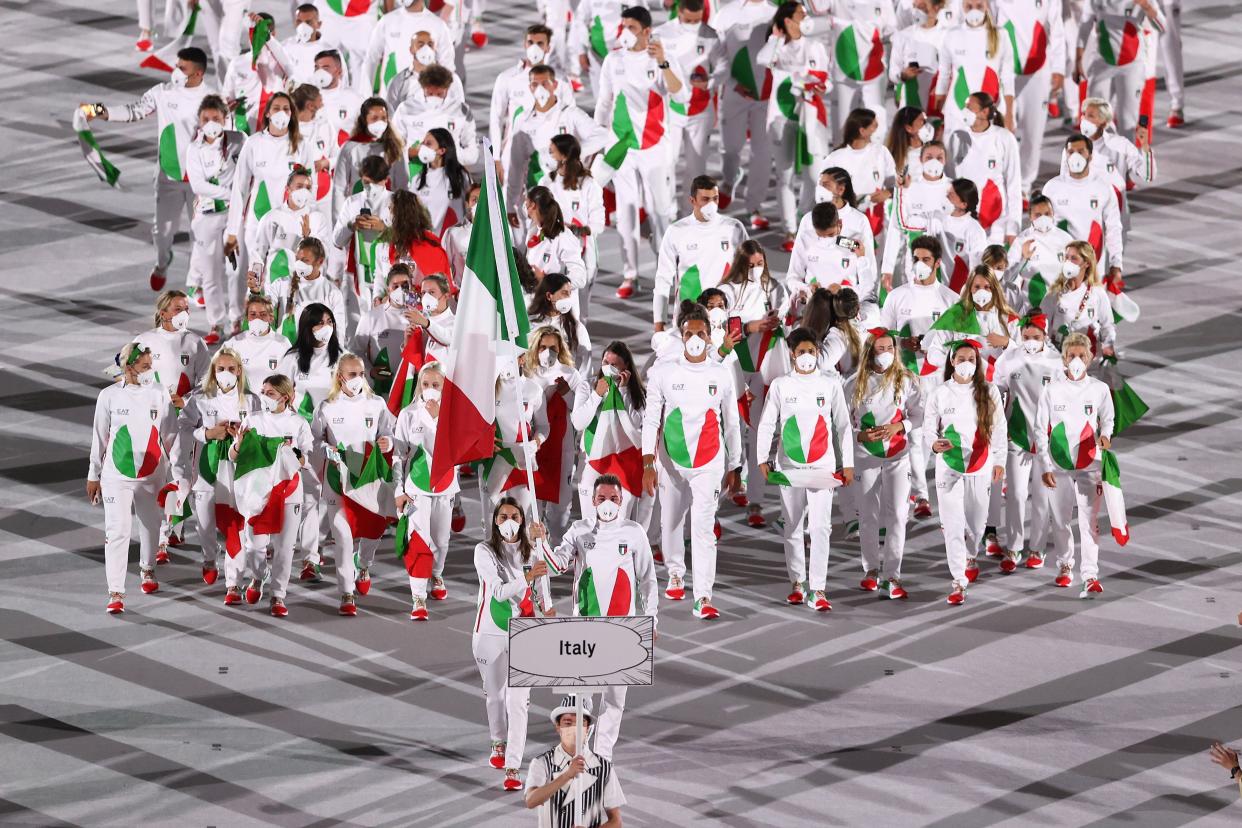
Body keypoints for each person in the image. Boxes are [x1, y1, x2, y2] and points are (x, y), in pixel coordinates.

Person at [542, 475, 658, 758]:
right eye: (601, 498)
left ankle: (603, 757)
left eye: (614, 499)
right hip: (586, 628)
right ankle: (576, 753)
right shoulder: (579, 531)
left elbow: (648, 579)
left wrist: (652, 618)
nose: (607, 504)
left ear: (622, 501)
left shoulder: (634, 533)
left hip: (624, 629)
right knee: (580, 696)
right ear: (592, 502)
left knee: (615, 700)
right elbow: (557, 564)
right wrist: (541, 542)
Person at [82, 47, 215, 290]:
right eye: (176, 66)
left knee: (202, 235)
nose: (175, 72)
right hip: (168, 177)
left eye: (182, 68)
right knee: (162, 234)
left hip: (202, 182)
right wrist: (96, 111)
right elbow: (133, 111)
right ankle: (162, 262)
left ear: (198, 74)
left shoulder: (214, 99)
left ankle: (199, 284)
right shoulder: (162, 93)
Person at [642, 302, 742, 619]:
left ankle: (703, 597)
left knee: (703, 529)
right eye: (690, 332)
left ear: (710, 336)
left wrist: (735, 465)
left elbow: (731, 422)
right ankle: (674, 572)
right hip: (671, 460)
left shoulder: (721, 374)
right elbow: (651, 421)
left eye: (701, 332)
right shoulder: (663, 373)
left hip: (709, 462)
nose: (695, 337)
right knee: (671, 520)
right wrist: (648, 463)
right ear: (682, 335)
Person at [756, 328, 854, 611]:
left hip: (823, 466)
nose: (807, 357)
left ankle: (819, 589)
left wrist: (847, 464)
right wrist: (763, 458)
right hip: (790, 467)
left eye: (812, 352)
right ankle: (797, 583)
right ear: (792, 354)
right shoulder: (780, 385)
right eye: (802, 352)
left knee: (821, 527)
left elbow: (844, 426)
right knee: (792, 525)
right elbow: (766, 423)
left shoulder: (830, 383)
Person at [593, 6, 688, 300]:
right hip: (622, 147)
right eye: (623, 26)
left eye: (631, 27)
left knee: (660, 214)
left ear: (647, 31)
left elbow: (680, 95)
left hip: (654, 147)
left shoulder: (662, 56)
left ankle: (669, 273)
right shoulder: (613, 60)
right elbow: (604, 102)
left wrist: (663, 63)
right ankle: (630, 273)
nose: (624, 32)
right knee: (626, 212)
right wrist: (597, 140)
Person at [87, 342, 177, 613]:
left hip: (153, 474)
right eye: (145, 366)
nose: (151, 371)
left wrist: (176, 476)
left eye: (152, 365)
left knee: (151, 525)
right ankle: (116, 592)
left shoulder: (160, 393)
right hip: (116, 475)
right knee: (117, 531)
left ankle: (147, 570)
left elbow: (170, 435)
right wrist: (94, 474)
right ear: (129, 368)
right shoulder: (109, 396)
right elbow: (99, 438)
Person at [878, 234, 958, 519]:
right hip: (907, 377)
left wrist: (930, 345)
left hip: (939, 378)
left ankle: (941, 495)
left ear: (937, 263)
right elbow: (882, 337)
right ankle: (921, 495)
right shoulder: (897, 296)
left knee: (933, 436)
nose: (920, 264)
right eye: (916, 259)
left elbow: (960, 342)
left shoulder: (950, 299)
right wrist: (901, 345)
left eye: (926, 259)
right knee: (912, 433)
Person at [475, 498, 553, 789]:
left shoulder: (531, 549)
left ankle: (512, 766)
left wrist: (543, 542)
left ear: (523, 520)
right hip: (490, 632)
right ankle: (498, 741)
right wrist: (527, 576)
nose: (510, 521)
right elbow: (497, 592)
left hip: (524, 631)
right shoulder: (484, 551)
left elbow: (549, 575)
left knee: (517, 701)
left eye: (515, 516)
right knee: (495, 695)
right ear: (495, 520)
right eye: (504, 516)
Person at [310, 354, 395, 614]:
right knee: (344, 538)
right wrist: (328, 450)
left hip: (369, 478)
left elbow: (389, 434)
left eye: (360, 373)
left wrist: (387, 443)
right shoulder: (326, 407)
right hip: (339, 478)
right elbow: (314, 442)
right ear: (340, 377)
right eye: (351, 374)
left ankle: (365, 563)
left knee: (373, 531)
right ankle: (346, 593)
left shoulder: (377, 403)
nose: (358, 379)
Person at [922, 339, 1005, 605]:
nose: (966, 363)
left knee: (977, 523)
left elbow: (999, 428)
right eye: (961, 359)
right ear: (952, 361)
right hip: (949, 466)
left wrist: (999, 460)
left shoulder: (989, 392)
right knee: (954, 524)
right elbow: (927, 428)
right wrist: (934, 444)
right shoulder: (939, 393)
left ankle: (971, 554)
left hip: (980, 464)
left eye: (972, 359)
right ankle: (958, 580)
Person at [174, 347, 260, 597]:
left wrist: (242, 437)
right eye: (220, 369)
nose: (225, 374)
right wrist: (208, 434)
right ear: (213, 371)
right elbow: (184, 426)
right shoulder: (200, 398)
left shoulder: (252, 400)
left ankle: (233, 583)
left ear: (239, 371)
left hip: (239, 470)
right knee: (205, 524)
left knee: (236, 523)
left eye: (231, 369)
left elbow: (262, 430)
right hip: (206, 470)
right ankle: (210, 557)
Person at [1036, 331, 1115, 596]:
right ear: (1064, 359)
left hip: (1090, 464)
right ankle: (1065, 565)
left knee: (1089, 521)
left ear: (1091, 357)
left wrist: (1105, 436)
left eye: (1082, 355)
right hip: (1058, 465)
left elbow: (1109, 419)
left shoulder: (1099, 389)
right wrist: (1045, 466)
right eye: (1072, 355)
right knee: (1060, 520)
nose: (1077, 360)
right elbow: (1040, 430)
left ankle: (1090, 574)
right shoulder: (1051, 390)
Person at [846, 329, 923, 598]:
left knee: (898, 515)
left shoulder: (906, 380)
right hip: (865, 457)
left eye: (889, 347)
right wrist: (861, 435)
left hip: (898, 456)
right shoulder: (853, 384)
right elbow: (842, 425)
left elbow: (919, 414)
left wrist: (900, 425)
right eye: (880, 349)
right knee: (868, 515)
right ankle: (870, 570)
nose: (886, 353)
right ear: (869, 351)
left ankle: (893, 574)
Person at [229, 374, 312, 617]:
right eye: (263, 391)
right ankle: (258, 576)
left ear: (284, 397)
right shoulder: (252, 420)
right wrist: (238, 443)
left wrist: (292, 454)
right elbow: (235, 456)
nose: (264, 396)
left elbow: (306, 460)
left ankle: (278, 595)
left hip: (288, 493)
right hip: (258, 493)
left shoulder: (298, 423)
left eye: (270, 393)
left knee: (285, 548)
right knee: (255, 548)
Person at [758, 3, 831, 250]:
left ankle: (803, 216)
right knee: (785, 175)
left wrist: (817, 86)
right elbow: (762, 60)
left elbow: (826, 80)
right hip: (781, 117)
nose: (806, 17)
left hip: (810, 117)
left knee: (815, 176)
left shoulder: (815, 46)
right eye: (801, 14)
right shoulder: (777, 46)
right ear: (788, 20)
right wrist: (776, 37)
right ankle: (789, 230)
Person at [277, 303, 342, 581]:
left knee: (332, 497)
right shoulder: (292, 359)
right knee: (308, 498)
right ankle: (309, 559)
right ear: (307, 327)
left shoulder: (342, 356)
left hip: (333, 438)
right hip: (302, 439)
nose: (324, 327)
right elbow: (279, 396)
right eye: (318, 322)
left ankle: (326, 547)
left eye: (328, 321)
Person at [993, 314, 1062, 572]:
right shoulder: (1008, 360)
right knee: (1016, 494)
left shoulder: (1057, 363)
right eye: (1026, 337)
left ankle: (1038, 548)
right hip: (1017, 435)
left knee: (1042, 497)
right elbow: (996, 395)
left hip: (1046, 439)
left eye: (1036, 337)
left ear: (1045, 335)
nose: (1030, 342)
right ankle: (1013, 547)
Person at [503, 66, 610, 231]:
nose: (540, 89)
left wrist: (571, 152)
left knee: (573, 244)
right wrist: (510, 204)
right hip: (537, 194)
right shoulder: (522, 120)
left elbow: (602, 136)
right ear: (529, 87)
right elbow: (516, 165)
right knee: (536, 249)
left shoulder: (570, 114)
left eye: (545, 83)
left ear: (555, 85)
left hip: (569, 190)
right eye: (534, 84)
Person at [225, 92, 315, 281]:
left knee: (288, 280)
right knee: (255, 281)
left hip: (291, 225)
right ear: (267, 113)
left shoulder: (301, 145)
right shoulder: (254, 143)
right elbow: (240, 189)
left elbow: (309, 190)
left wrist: (308, 227)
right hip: (257, 224)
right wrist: (232, 231)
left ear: (291, 114)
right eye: (276, 108)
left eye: (285, 109)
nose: (281, 113)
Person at [393, 362, 459, 618]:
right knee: (420, 540)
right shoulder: (408, 415)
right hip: (416, 487)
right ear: (419, 385)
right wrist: (399, 490)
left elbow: (458, 452)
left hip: (445, 486)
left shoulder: (453, 415)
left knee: (441, 541)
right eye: (425, 384)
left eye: (435, 385)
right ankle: (418, 598)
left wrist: (438, 417)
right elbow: (399, 456)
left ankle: (437, 575)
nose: (430, 389)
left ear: (444, 387)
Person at [185, 94, 246, 343]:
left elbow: (248, 172)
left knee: (237, 268)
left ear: (225, 118)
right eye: (206, 118)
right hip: (207, 216)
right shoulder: (194, 148)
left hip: (234, 216)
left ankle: (236, 319)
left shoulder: (239, 140)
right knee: (210, 272)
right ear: (199, 121)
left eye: (216, 118)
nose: (211, 122)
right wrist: (231, 192)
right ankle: (215, 323)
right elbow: (198, 185)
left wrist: (239, 198)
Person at [714, 0, 781, 224]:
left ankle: (754, 207)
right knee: (731, 148)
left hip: (767, 97)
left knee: (762, 152)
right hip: (735, 92)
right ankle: (728, 179)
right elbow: (716, 57)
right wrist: (733, 84)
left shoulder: (776, 13)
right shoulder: (726, 14)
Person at [654, 176, 749, 331]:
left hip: (725, 319)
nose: (711, 204)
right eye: (705, 199)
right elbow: (663, 280)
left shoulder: (734, 228)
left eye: (715, 199)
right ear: (692, 201)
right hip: (689, 321)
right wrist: (659, 326)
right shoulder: (676, 231)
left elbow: (748, 274)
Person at [655, 0, 726, 204]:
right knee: (667, 163)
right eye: (688, 20)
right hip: (670, 109)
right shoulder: (661, 33)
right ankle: (667, 210)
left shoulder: (711, 35)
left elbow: (724, 67)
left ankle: (690, 213)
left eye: (697, 20)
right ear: (679, 11)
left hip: (701, 110)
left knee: (696, 167)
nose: (694, 24)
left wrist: (710, 81)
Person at [994, 0, 1066, 197]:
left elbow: (1057, 29)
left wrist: (1059, 68)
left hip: (1038, 71)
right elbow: (989, 24)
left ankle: (1024, 187)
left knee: (1033, 133)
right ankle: (999, 182)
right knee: (1002, 130)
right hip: (1005, 70)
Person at [572, 343, 648, 522]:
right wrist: (597, 395)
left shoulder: (637, 393)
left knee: (622, 523)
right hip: (591, 459)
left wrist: (623, 392)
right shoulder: (587, 386)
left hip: (624, 461)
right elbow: (578, 422)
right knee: (590, 522)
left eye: (614, 365)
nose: (608, 367)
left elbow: (637, 425)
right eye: (605, 361)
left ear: (625, 367)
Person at [523, 696, 626, 826]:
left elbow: (616, 821)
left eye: (580, 723)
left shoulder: (604, 767)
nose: (574, 729)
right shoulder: (542, 763)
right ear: (558, 727)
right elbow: (531, 801)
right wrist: (567, 775)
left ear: (587, 729)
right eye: (567, 723)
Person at [1041, 133, 1125, 283]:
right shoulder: (1052, 188)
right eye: (1071, 152)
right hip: (1059, 267)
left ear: (1090, 156)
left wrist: (1116, 263)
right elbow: (1041, 228)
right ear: (1065, 155)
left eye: (1080, 152)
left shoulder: (1103, 188)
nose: (1075, 156)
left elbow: (1113, 227)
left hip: (1093, 267)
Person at [1075, 0, 1165, 135]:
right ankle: (1101, 153)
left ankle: (1125, 153)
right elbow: (1085, 26)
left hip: (1131, 66)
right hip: (1102, 64)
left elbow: (1162, 26)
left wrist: (1146, 6)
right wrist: (1078, 59)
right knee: (1094, 122)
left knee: (1127, 122)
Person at [944, 91, 1021, 244]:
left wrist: (1013, 228)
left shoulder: (1004, 138)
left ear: (984, 112)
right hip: (964, 219)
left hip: (996, 221)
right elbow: (949, 179)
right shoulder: (957, 137)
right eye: (965, 107)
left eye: (969, 107)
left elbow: (1013, 184)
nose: (965, 111)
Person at [1076, 96, 1157, 236]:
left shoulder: (1120, 145)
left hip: (1114, 221)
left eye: (1090, 116)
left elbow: (1148, 175)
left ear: (1103, 122)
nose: (1084, 119)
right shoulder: (1073, 147)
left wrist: (1144, 146)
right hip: (1082, 221)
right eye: (1084, 114)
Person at [544, 135, 607, 315]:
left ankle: (578, 336)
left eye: (552, 150)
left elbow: (598, 222)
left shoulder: (588, 185)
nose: (549, 153)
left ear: (563, 155)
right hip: (554, 249)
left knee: (579, 306)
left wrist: (577, 230)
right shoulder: (548, 181)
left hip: (583, 251)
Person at [923, 265, 1020, 381]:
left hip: (994, 387)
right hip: (959, 385)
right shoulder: (955, 316)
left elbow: (1023, 359)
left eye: (987, 287)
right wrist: (956, 363)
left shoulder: (1009, 320)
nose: (982, 291)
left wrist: (1007, 343)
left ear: (994, 289)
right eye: (977, 287)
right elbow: (933, 352)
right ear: (970, 288)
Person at [934, 0, 1016, 133]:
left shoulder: (1001, 35)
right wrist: (937, 107)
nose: (974, 11)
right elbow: (943, 74)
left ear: (987, 6)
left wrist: (1009, 114)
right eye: (969, 7)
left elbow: (1007, 78)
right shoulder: (952, 35)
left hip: (990, 110)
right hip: (957, 111)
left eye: (979, 6)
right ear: (962, 7)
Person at [881, 140, 952, 289]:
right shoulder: (908, 189)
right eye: (929, 157)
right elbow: (895, 229)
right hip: (914, 264)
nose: (934, 162)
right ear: (920, 160)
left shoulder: (954, 189)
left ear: (945, 160)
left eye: (939, 158)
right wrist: (887, 269)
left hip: (948, 265)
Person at [821, 108, 896, 242]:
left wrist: (889, 193)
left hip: (876, 221)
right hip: (845, 224)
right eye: (874, 125)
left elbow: (895, 184)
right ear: (862, 131)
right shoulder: (835, 158)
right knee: (852, 255)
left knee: (873, 259)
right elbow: (822, 193)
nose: (877, 128)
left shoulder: (881, 152)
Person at [245, 168, 331, 284]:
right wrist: (254, 291)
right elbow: (258, 255)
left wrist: (308, 238)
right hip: (276, 286)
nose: (304, 191)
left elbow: (324, 256)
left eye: (308, 188)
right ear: (288, 189)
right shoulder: (271, 217)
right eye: (299, 186)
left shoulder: (318, 218)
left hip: (308, 288)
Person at [253, 237, 348, 340]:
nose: (299, 264)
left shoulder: (332, 292)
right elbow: (266, 306)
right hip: (285, 350)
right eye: (297, 259)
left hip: (316, 353)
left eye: (305, 260)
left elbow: (339, 334)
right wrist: (255, 292)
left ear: (320, 261)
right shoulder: (281, 284)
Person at [1040, 241, 1116, 360]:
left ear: (1086, 263)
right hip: (1060, 358)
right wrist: (1053, 353)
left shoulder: (1097, 293)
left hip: (1090, 359)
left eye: (1074, 258)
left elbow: (1107, 325)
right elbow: (1041, 326)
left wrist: (1108, 345)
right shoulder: (1054, 294)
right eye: (1066, 258)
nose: (1068, 262)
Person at [393, 65, 481, 169]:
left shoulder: (461, 110)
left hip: (451, 173)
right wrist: (415, 152)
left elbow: (472, 152)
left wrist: (449, 155)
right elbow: (394, 146)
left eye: (439, 94)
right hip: (415, 171)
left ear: (447, 89)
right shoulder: (405, 109)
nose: (434, 97)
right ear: (422, 87)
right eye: (430, 93)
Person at [333, 98, 406, 220]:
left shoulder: (395, 148)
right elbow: (339, 188)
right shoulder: (349, 148)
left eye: (383, 118)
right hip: (357, 213)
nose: (380, 122)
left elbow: (402, 185)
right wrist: (339, 223)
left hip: (386, 214)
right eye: (374, 118)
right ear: (363, 120)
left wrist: (400, 219)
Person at [364, 0, 454, 97]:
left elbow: (448, 67)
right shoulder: (387, 21)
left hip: (425, 101)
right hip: (390, 101)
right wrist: (365, 96)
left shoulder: (438, 26)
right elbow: (371, 59)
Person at [1004, 195, 1075, 314]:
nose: (1043, 218)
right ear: (1030, 216)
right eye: (1038, 215)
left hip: (1061, 307)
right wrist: (1023, 258)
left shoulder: (1066, 239)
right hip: (1030, 308)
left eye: (1047, 214)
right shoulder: (1022, 240)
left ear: (1053, 214)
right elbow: (1008, 277)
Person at [524, 187, 588, 310]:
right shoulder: (534, 230)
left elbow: (580, 277)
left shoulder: (562, 237)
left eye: (525, 202)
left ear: (532, 206)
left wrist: (546, 281)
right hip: (536, 305)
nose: (524, 205)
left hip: (558, 311)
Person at [889, 0, 949, 114]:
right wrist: (903, 75)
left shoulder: (948, 36)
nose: (916, 12)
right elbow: (893, 73)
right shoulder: (902, 36)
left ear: (936, 7)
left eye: (921, 7)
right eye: (914, 7)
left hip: (939, 103)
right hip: (910, 102)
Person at [411, 127, 473, 237]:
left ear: (442, 150)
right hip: (428, 243)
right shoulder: (417, 180)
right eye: (423, 143)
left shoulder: (460, 176)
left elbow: (471, 208)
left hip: (454, 241)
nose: (423, 147)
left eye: (428, 143)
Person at [527, 273, 592, 373]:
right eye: (565, 293)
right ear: (549, 296)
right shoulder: (529, 324)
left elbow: (586, 366)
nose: (569, 298)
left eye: (570, 293)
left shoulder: (576, 327)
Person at [229, 297, 291, 375]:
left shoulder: (282, 343)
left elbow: (290, 375)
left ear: (271, 318)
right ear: (247, 317)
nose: (257, 318)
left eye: (263, 314)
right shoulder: (235, 342)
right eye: (253, 314)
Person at [886, 105, 936, 183]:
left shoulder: (935, 150)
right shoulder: (897, 158)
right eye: (922, 122)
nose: (927, 126)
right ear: (909, 128)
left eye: (926, 121)